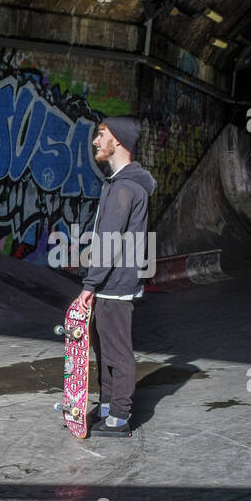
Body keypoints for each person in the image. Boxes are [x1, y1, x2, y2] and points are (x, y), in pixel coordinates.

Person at [75, 115, 156, 438]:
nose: (95, 141)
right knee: (103, 348)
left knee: (117, 351)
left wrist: (89, 285)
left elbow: (110, 240)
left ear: (118, 141)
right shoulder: (121, 183)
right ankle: (107, 404)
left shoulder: (124, 188)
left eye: (101, 134)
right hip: (112, 281)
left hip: (116, 283)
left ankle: (120, 417)